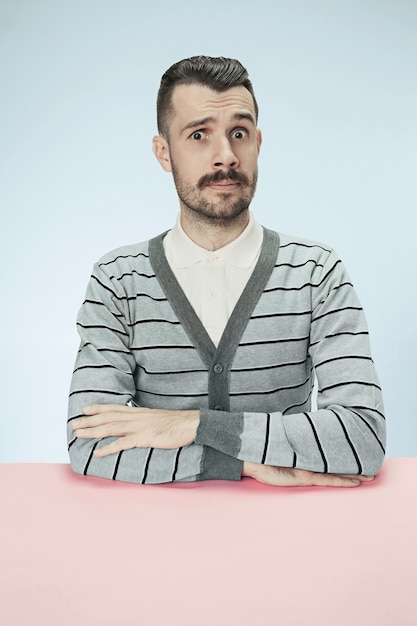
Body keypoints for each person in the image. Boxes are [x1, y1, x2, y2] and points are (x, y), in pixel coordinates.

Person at [67, 55, 385, 487]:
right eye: (199, 134)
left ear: (257, 141)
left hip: (292, 536)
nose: (225, 156)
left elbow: (361, 439)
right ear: (164, 152)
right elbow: (89, 445)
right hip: (150, 538)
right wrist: (244, 464)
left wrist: (193, 426)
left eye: (239, 133)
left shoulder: (316, 273)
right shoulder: (118, 280)